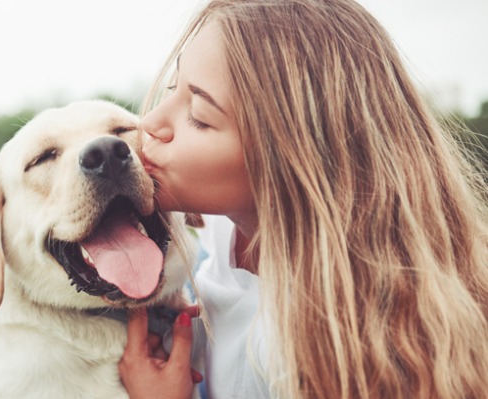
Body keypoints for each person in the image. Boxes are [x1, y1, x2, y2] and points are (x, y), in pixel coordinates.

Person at [117, 0, 488, 398]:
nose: (151, 122)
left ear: (288, 160)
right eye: (173, 89)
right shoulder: (226, 225)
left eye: (200, 117)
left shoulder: (310, 353)